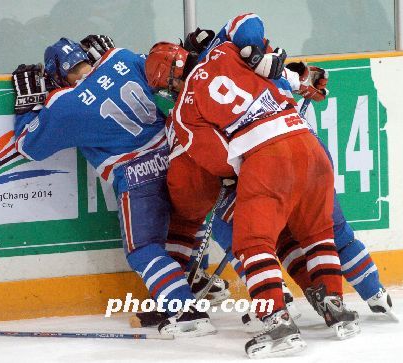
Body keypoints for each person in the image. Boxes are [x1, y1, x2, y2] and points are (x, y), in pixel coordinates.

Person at [166, 13, 395, 320]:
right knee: (324, 230)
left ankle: (276, 306)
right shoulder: (242, 54)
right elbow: (297, 75)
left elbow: (212, 155)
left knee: (251, 238)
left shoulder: (191, 96)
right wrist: (299, 76)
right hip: (307, 148)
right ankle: (368, 292)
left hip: (264, 161)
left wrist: (233, 172)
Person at [145, 39, 359, 358]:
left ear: (172, 81)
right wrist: (292, 73)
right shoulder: (225, 51)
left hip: (269, 157)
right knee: (318, 235)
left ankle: (276, 323)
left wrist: (238, 174)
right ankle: (336, 308)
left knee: (253, 244)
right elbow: (252, 29)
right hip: (308, 144)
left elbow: (220, 159)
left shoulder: (183, 111)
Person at [11, 35, 215, 337]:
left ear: (57, 77)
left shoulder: (64, 105)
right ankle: (199, 283)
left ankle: (185, 310)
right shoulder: (121, 57)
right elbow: (164, 83)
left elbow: (30, 146)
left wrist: (26, 107)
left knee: (144, 249)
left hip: (137, 177)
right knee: (188, 224)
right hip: (178, 159)